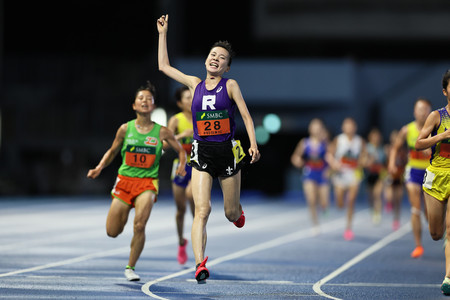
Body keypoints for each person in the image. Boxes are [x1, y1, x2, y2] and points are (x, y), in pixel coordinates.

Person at [157, 14, 261, 283]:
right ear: (206, 60)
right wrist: (163, 34)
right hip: (201, 153)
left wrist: (253, 143)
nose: (216, 58)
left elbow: (247, 117)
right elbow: (164, 66)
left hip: (226, 153)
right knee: (201, 210)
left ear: (226, 67)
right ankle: (199, 264)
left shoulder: (231, 85)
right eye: (213, 54)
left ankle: (238, 213)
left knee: (229, 213)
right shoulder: (195, 84)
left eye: (222, 57)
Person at [87, 81, 187, 281]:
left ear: (153, 106)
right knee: (112, 231)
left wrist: (182, 165)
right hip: (125, 182)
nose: (145, 101)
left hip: (147, 184)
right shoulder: (125, 129)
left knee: (140, 225)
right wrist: (99, 167)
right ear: (134, 105)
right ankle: (122, 216)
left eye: (149, 99)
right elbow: (113, 150)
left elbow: (180, 150)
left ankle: (130, 267)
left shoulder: (162, 132)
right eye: (141, 98)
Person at [415, 69, 450, 295]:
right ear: (445, 91)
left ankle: (448, 276)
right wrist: (442, 136)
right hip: (436, 175)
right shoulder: (437, 116)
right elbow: (419, 143)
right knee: (436, 233)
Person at [388, 98, 432, 258]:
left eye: (426, 109)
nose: (422, 112)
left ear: (430, 111)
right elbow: (395, 147)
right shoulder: (407, 130)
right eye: (419, 109)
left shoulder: (435, 129)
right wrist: (392, 163)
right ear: (414, 111)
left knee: (430, 213)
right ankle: (418, 245)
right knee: (415, 209)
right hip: (413, 171)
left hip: (431, 172)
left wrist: (433, 150)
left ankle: (441, 233)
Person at [165, 85, 195, 265]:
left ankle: (198, 237)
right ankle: (181, 242)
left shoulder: (202, 118)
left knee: (194, 202)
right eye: (187, 98)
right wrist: (182, 135)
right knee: (180, 210)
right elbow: (164, 144)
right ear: (179, 103)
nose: (191, 100)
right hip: (181, 167)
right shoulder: (176, 120)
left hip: (198, 166)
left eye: (193, 97)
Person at [326, 117, 365, 241]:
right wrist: (334, 164)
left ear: (355, 128)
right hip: (340, 175)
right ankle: (340, 203)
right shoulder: (339, 140)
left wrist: (362, 161)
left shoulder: (360, 141)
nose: (349, 128)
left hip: (354, 174)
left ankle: (348, 228)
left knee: (351, 201)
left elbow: (365, 156)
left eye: (351, 125)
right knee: (340, 203)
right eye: (347, 125)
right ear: (343, 127)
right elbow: (329, 154)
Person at [290, 118, 330, 234]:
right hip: (309, 173)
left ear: (321, 128)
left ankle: (324, 207)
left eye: (318, 126)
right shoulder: (304, 143)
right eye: (314, 126)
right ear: (310, 129)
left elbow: (330, 158)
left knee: (323, 202)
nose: (316, 129)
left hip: (322, 174)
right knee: (311, 200)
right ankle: (315, 223)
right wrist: (298, 161)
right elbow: (295, 157)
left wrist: (329, 170)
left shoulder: (325, 143)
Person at [363, 127, 388, 224]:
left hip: (379, 175)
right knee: (371, 196)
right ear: (370, 137)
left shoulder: (382, 149)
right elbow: (363, 162)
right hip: (369, 175)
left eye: (377, 136)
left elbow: (385, 163)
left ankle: (378, 214)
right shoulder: (367, 148)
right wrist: (369, 161)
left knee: (377, 194)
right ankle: (373, 210)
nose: (376, 138)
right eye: (374, 136)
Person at [384, 129, 407, 231]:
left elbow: (406, 163)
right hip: (390, 176)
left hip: (399, 177)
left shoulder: (403, 151)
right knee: (389, 196)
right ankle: (389, 203)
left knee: (398, 200)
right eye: (393, 138)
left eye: (397, 138)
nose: (395, 140)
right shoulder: (388, 149)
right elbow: (384, 162)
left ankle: (396, 220)